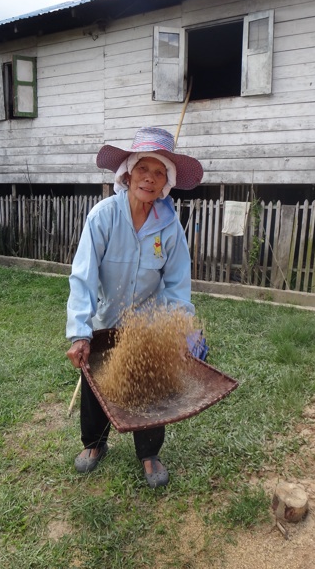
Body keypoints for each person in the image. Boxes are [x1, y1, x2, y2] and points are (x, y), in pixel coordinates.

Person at [66, 127, 203, 488]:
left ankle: (149, 452)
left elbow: (176, 285)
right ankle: (94, 444)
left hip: (147, 324)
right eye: (144, 168)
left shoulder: (169, 226)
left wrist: (180, 329)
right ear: (127, 173)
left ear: (166, 183)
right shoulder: (103, 216)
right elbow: (83, 276)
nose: (149, 178)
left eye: (159, 172)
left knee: (151, 387)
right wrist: (80, 331)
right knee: (96, 383)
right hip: (106, 318)